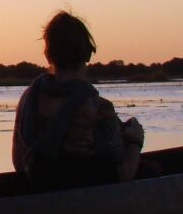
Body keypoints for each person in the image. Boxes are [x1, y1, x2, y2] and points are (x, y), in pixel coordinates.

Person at [12, 12, 144, 189]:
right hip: (87, 200)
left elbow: (19, 164)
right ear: (87, 54)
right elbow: (124, 175)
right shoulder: (99, 107)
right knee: (154, 170)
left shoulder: (28, 101)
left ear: (48, 54)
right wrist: (135, 140)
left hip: (40, 192)